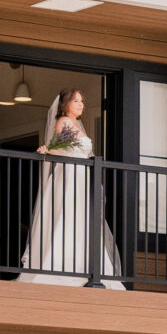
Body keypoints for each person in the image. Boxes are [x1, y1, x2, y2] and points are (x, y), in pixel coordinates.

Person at [18, 88, 126, 285]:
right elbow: (60, 148)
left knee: (83, 219)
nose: (81, 104)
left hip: (81, 176)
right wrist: (48, 150)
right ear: (65, 104)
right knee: (68, 217)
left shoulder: (77, 123)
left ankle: (87, 266)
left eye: (82, 101)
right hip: (69, 176)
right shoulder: (64, 122)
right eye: (76, 101)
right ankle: (62, 266)